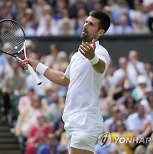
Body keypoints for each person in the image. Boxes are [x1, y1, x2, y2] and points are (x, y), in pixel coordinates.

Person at [20, 10, 111, 154]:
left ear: (100, 32)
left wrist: (92, 57)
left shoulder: (100, 52)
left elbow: (100, 67)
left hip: (85, 119)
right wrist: (38, 66)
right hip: (73, 120)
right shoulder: (76, 56)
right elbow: (64, 79)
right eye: (86, 21)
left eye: (91, 24)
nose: (85, 25)